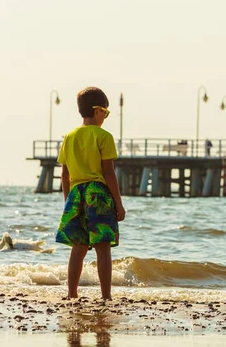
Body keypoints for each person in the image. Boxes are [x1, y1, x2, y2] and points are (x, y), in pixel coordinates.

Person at [56, 87, 126, 300]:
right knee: (103, 247)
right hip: (97, 192)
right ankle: (106, 296)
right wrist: (118, 203)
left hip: (76, 192)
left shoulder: (69, 137)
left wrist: (68, 200)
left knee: (79, 246)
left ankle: (72, 293)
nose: (105, 116)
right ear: (97, 111)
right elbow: (108, 172)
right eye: (106, 112)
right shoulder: (103, 136)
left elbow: (65, 174)